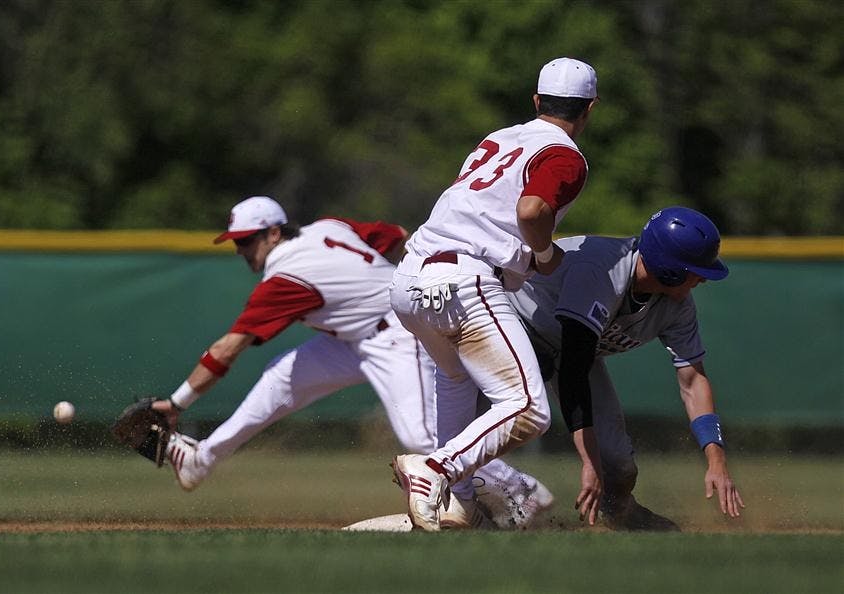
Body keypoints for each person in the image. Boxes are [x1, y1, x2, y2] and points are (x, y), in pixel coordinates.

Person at [151, 195, 554, 529]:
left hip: (396, 334)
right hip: (351, 339)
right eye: (236, 242)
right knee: (280, 378)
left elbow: (227, 348)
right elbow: (396, 236)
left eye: (246, 241)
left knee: (420, 435)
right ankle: (199, 460)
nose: (241, 250)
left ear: (274, 233)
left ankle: (522, 491)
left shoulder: (286, 276)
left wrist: (177, 403)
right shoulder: (328, 228)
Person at [388, 57, 601, 531]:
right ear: (590, 109)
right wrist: (544, 255)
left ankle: (458, 500)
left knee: (456, 382)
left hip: (408, 280)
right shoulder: (566, 154)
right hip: (464, 279)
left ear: (536, 101)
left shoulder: (499, 138)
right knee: (528, 407)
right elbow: (530, 210)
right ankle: (436, 469)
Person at [507, 206, 746, 530]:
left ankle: (619, 514)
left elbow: (692, 380)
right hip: (514, 327)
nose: (703, 278)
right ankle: (466, 499)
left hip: (572, 351)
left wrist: (716, 460)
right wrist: (590, 462)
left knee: (619, 466)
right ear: (670, 269)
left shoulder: (678, 306)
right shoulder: (602, 272)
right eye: (696, 270)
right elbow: (574, 370)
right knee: (499, 423)